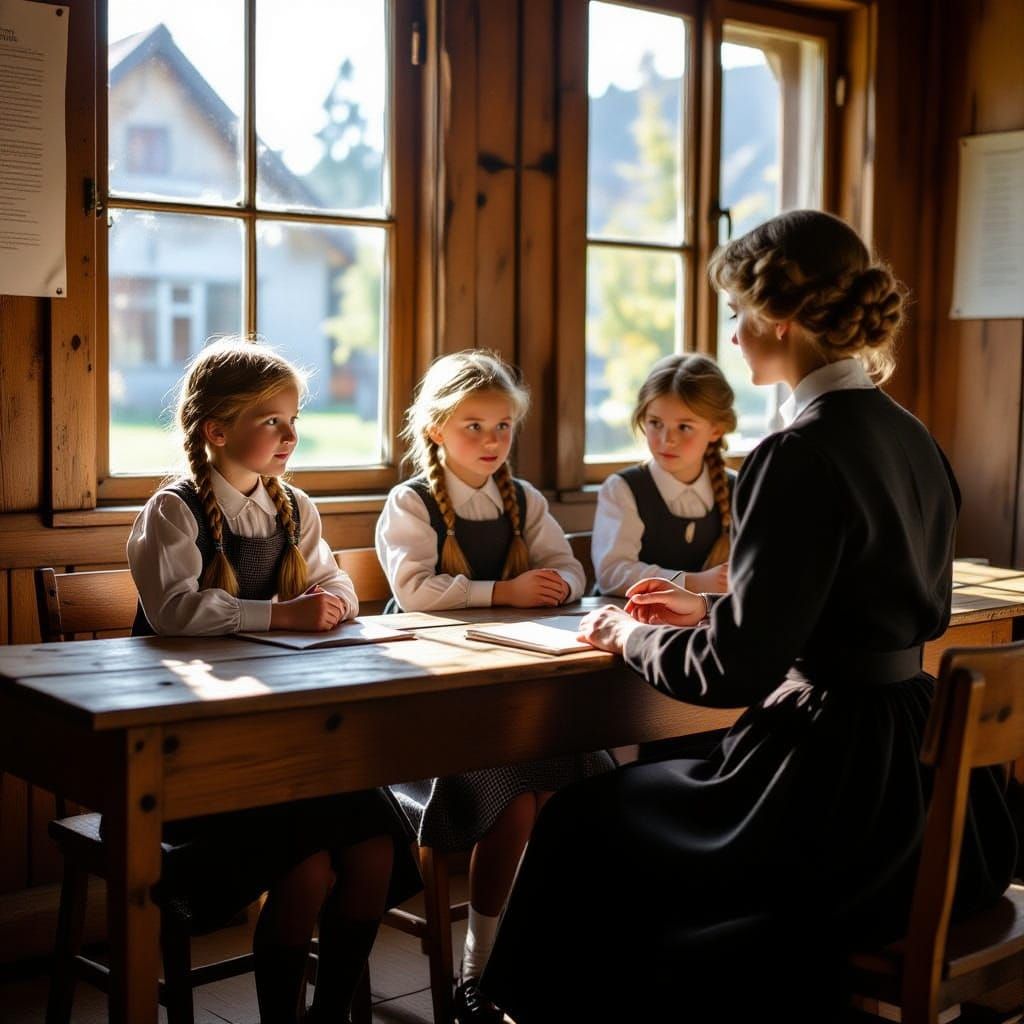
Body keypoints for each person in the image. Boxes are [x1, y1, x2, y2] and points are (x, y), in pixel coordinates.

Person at [481, 210, 1017, 1022]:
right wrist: (714, 604)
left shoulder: (797, 451)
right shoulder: (910, 436)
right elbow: (901, 606)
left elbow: (733, 671)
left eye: (736, 312)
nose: (731, 335)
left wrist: (631, 632)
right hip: (918, 786)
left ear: (781, 316)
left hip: (831, 791)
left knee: (584, 820)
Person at [127, 337, 421, 1024]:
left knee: (376, 847)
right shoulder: (174, 511)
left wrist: (336, 602)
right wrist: (279, 612)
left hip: (292, 740)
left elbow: (335, 580)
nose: (291, 435)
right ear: (217, 429)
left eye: (294, 420)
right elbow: (173, 611)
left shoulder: (293, 508)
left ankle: (332, 1014)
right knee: (310, 868)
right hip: (202, 751)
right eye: (273, 422)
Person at [375, 349, 613, 1023]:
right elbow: (413, 592)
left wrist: (559, 584)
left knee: (578, 788)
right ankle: (478, 970)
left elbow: (571, 571)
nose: (490, 441)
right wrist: (503, 590)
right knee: (514, 799)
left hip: (518, 697)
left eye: (502, 427)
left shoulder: (524, 500)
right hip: (435, 711)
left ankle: (550, 956)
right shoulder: (411, 502)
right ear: (435, 429)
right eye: (473, 426)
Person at [592, 352, 735, 599]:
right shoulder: (623, 489)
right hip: (629, 623)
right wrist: (691, 582)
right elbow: (612, 573)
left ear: (716, 430)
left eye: (684, 427)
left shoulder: (741, 487)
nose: (667, 440)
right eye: (655, 423)